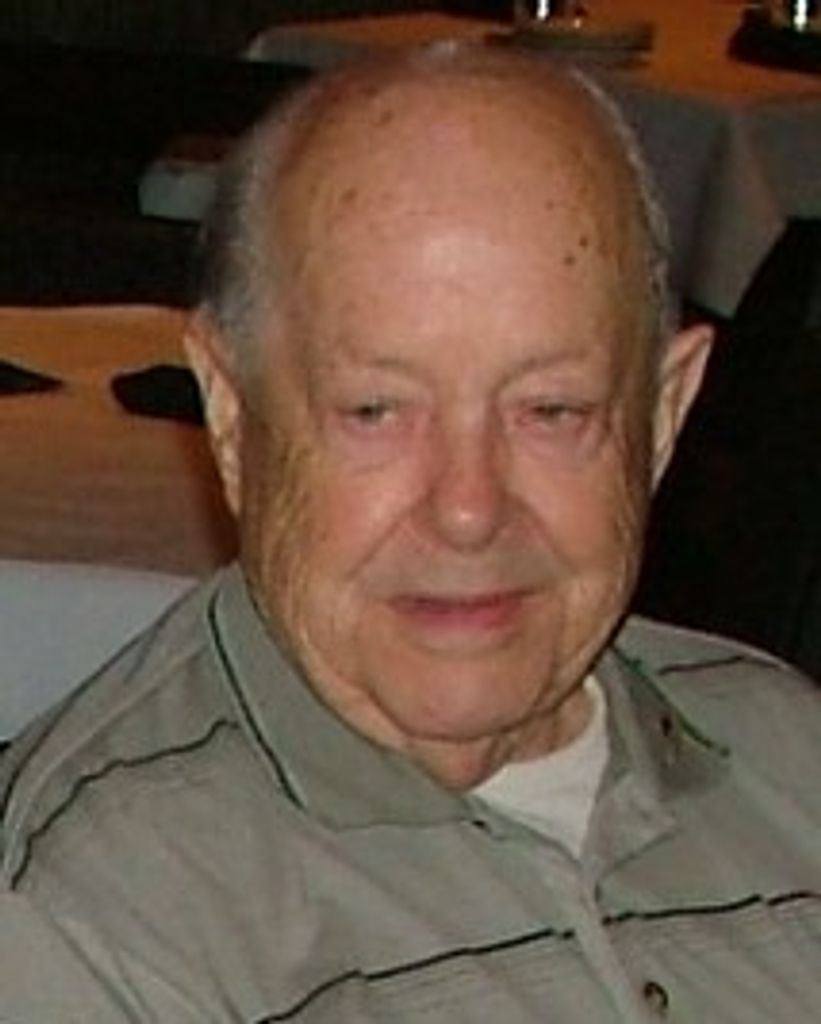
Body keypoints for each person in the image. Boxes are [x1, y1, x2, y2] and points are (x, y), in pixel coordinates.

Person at [2, 42, 820, 1023]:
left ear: (660, 418)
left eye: (550, 410)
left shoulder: (786, 752)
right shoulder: (99, 911)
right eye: (375, 412)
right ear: (231, 417)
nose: (467, 507)